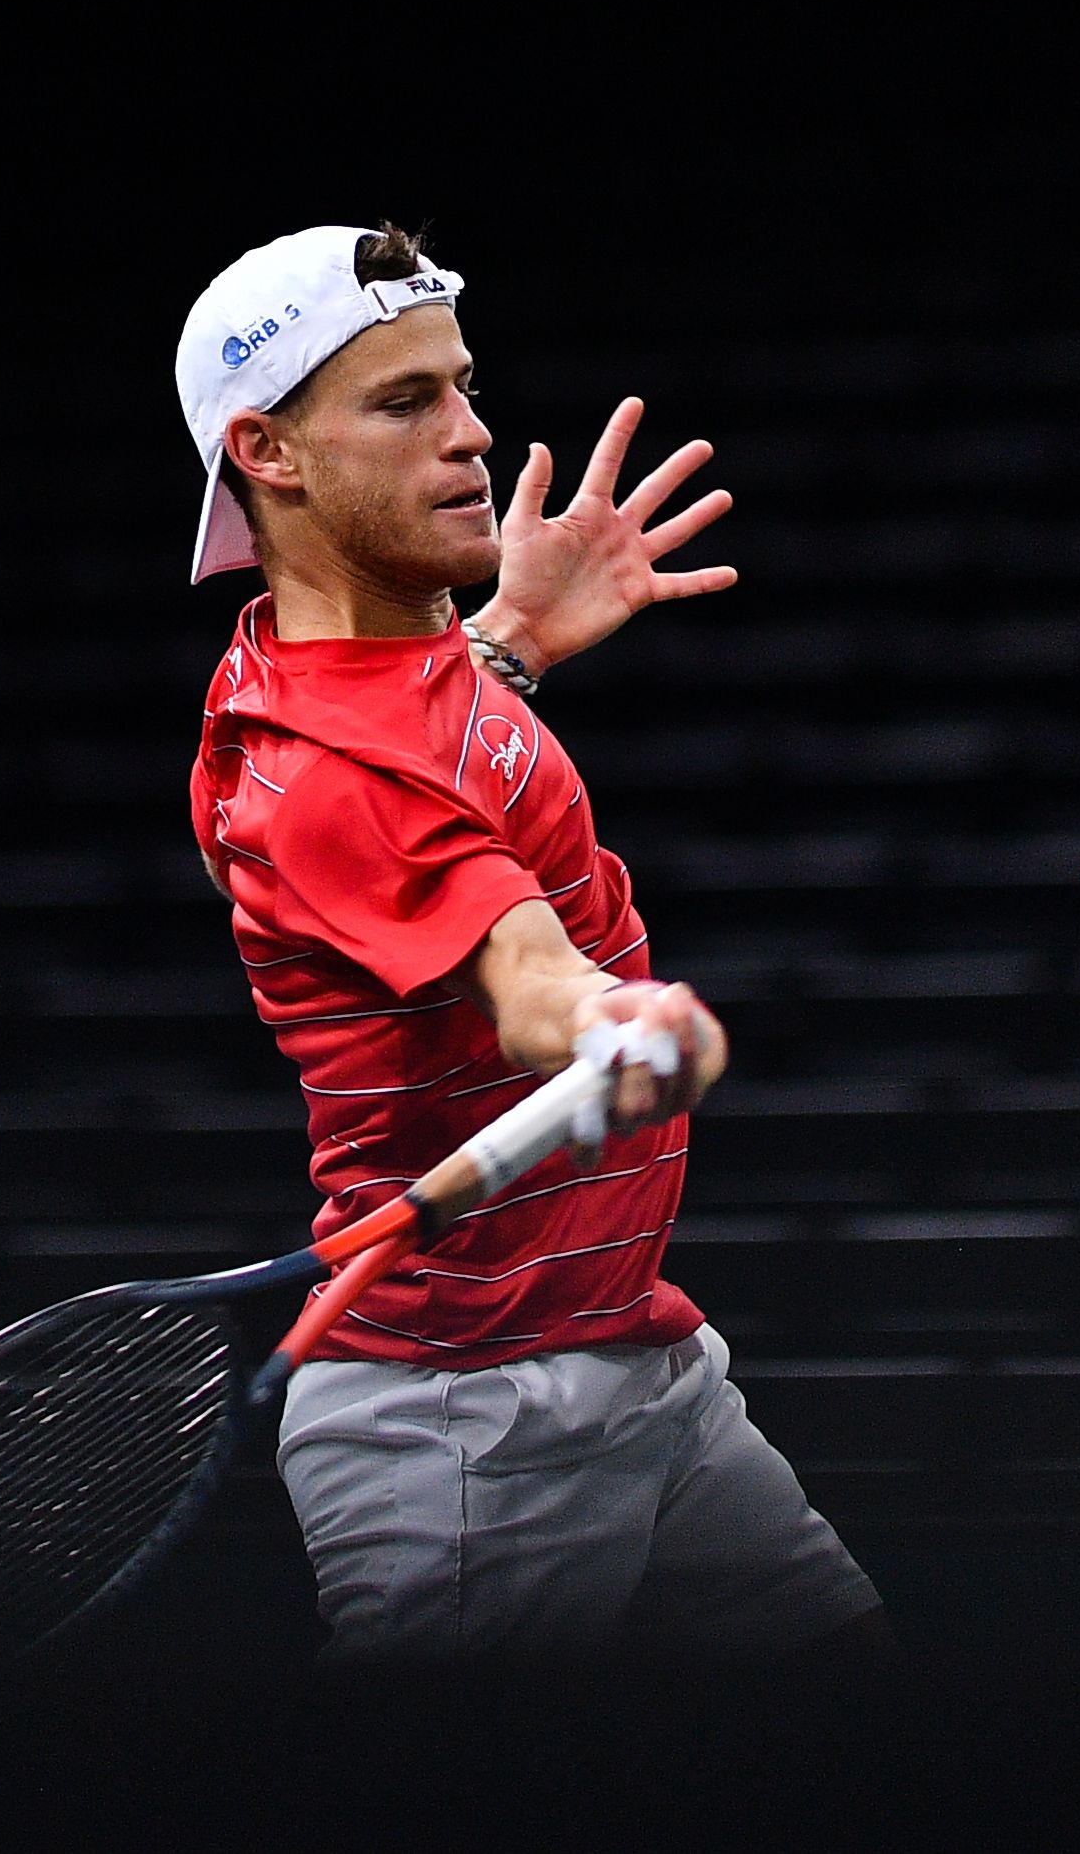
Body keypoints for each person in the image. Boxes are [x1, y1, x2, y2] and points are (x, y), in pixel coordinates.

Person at [179, 224, 890, 1664]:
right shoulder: (335, 774)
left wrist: (507, 645)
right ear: (268, 452)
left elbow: (421, 777)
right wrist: (611, 1024)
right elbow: (524, 977)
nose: (473, 436)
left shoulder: (330, 668)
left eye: (460, 386)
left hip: (628, 1349)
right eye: (403, 404)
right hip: (474, 1425)